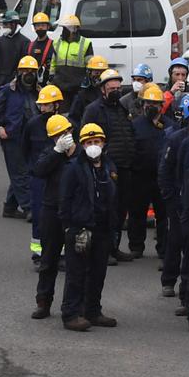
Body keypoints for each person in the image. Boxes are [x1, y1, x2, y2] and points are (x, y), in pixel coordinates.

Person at [57, 122, 120, 331]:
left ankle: (93, 311)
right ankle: (71, 314)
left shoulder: (109, 166)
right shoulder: (74, 168)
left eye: (97, 141)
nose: (94, 145)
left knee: (98, 272)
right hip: (80, 228)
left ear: (103, 143)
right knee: (76, 273)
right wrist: (69, 227)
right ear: (82, 145)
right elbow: (64, 199)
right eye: (89, 142)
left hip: (102, 228)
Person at [80, 69, 140, 257]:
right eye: (112, 88)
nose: (116, 90)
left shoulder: (122, 108)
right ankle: (103, 251)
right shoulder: (93, 110)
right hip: (105, 169)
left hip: (125, 166)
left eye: (118, 87)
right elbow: (84, 137)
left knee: (120, 210)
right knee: (105, 210)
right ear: (103, 90)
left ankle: (113, 247)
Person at [160, 94, 189, 331]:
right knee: (180, 245)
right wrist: (172, 201)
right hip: (180, 203)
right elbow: (165, 171)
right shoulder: (177, 140)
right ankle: (184, 295)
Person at [29, 111, 77, 318]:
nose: (63, 137)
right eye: (58, 135)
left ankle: (74, 305)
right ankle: (43, 302)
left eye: (65, 133)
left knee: (76, 263)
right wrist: (57, 152)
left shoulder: (82, 153)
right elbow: (38, 170)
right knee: (48, 260)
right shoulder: (50, 153)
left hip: (74, 212)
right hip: (52, 210)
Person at [0, 56, 39, 221]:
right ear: (19, 72)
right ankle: (29, 208)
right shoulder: (7, 90)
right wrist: (0, 127)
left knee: (21, 172)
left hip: (32, 139)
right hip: (12, 138)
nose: (29, 74)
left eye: (32, 71)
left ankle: (10, 208)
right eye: (25, 70)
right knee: (20, 174)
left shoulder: (39, 91)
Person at [127, 83, 167, 262]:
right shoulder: (134, 125)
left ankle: (164, 248)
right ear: (143, 105)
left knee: (163, 214)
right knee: (137, 212)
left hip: (162, 178)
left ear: (161, 105)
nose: (152, 107)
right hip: (139, 176)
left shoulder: (169, 126)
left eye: (155, 104)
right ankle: (136, 246)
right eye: (148, 103)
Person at [48, 14, 94, 98]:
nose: (63, 30)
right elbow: (53, 63)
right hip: (60, 86)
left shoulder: (85, 43)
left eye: (65, 28)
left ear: (74, 29)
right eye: (63, 28)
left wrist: (87, 84)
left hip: (78, 88)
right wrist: (51, 78)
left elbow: (90, 66)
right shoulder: (57, 42)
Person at [0, 11, 30, 79]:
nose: (3, 27)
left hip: (16, 82)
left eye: (5, 24)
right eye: (3, 24)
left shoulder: (25, 42)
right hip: (0, 81)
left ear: (13, 24)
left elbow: (24, 64)